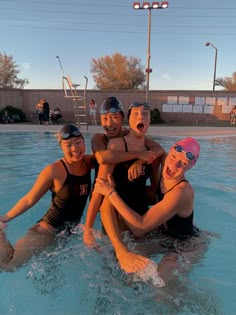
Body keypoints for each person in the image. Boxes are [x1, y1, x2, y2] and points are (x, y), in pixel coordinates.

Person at [94, 137, 200, 274]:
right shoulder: (165, 167)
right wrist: (140, 160)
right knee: (127, 258)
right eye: (173, 157)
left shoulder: (181, 191)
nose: (174, 165)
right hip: (165, 235)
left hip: (185, 245)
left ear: (190, 166)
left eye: (183, 163)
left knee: (162, 287)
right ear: (169, 153)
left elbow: (140, 227)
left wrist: (111, 193)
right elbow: (155, 148)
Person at [0, 124, 95, 271]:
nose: (75, 149)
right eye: (68, 145)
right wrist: (4, 218)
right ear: (61, 147)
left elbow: (110, 157)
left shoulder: (88, 162)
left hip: (68, 231)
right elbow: (29, 199)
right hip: (47, 231)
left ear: (84, 141)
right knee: (8, 265)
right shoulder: (54, 170)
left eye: (78, 143)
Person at [84, 99, 165, 248]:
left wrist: (141, 161)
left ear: (122, 119)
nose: (110, 123)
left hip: (137, 207)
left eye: (115, 117)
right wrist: (87, 229)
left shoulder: (143, 141)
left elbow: (160, 151)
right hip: (108, 199)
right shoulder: (102, 140)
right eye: (105, 119)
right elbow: (103, 158)